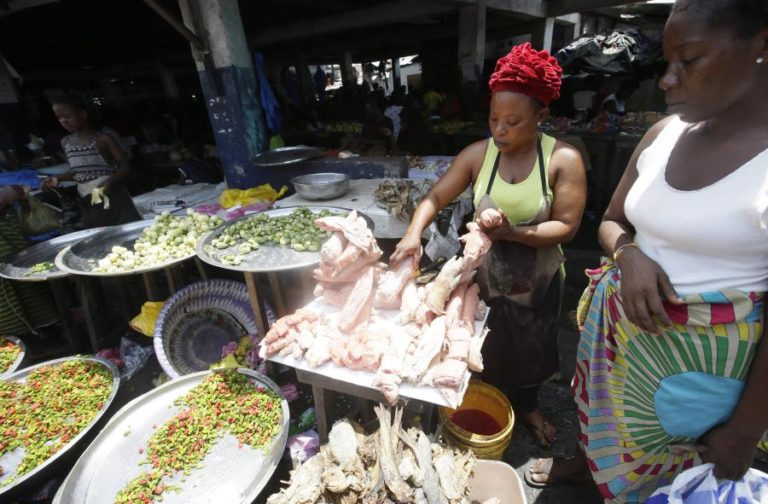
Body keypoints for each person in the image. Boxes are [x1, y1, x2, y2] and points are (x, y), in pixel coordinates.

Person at [527, 1, 768, 501]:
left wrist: (744, 433)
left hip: (700, 376)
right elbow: (613, 222)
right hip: (620, 347)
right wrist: (629, 257)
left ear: (760, 46)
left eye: (690, 60)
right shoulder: (664, 134)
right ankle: (585, 467)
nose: (667, 80)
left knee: (669, 480)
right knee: (600, 431)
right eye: (667, 61)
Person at [392, 43, 587, 448]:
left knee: (533, 349)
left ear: (541, 116)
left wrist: (511, 232)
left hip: (539, 278)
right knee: (484, 344)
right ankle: (482, 397)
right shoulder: (478, 156)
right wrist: (413, 233)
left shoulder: (562, 160)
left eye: (513, 121)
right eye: (494, 118)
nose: (499, 129)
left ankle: (529, 406)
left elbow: (567, 227)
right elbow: (434, 198)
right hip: (485, 275)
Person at [43, 95, 140, 228]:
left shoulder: (103, 139)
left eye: (67, 116)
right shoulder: (65, 142)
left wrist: (110, 180)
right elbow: (78, 172)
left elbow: (125, 166)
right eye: (59, 118)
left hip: (112, 197)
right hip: (87, 200)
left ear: (82, 114)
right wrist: (57, 178)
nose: (63, 121)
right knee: (102, 237)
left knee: (126, 231)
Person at [0, 185, 58, 335]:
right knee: (8, 307)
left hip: (14, 252)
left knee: (30, 290)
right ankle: (27, 341)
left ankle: (47, 332)